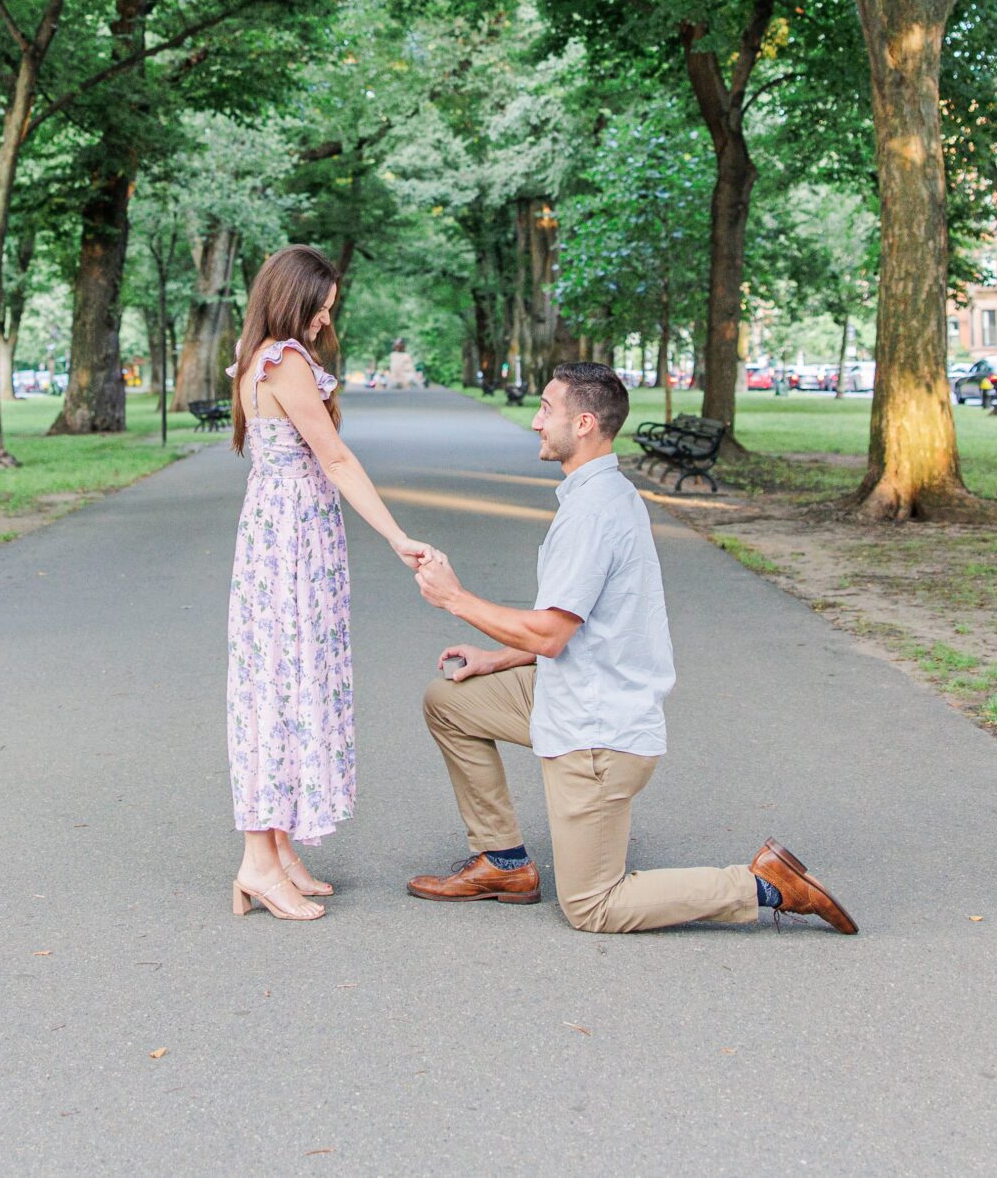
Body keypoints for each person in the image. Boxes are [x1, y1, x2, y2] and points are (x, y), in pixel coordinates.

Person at [406, 362, 856, 934]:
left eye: (548, 409)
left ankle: (765, 885)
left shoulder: (593, 513)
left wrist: (454, 598)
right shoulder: (599, 494)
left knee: (593, 905)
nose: (537, 421)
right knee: (449, 701)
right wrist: (496, 659)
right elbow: (584, 628)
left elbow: (550, 633)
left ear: (586, 423)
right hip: (575, 690)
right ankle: (503, 863)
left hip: (597, 731)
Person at [225, 245, 433, 922]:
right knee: (280, 687)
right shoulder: (283, 363)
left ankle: (278, 847)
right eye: (319, 305)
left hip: (282, 534)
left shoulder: (261, 355)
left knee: (281, 681)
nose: (323, 317)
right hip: (290, 540)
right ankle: (258, 861)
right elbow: (335, 458)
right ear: (291, 298)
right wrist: (397, 534)